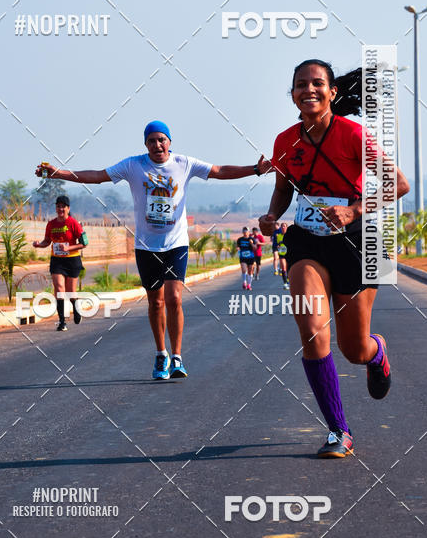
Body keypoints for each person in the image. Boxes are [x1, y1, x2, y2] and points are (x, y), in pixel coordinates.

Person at [37, 120, 272, 379]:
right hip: (146, 246)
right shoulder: (133, 165)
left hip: (176, 244)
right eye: (152, 140)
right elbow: (97, 176)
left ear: (170, 141)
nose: (157, 144)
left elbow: (219, 170)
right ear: (145, 144)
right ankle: (161, 354)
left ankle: (178, 357)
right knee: (156, 302)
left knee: (174, 298)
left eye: (162, 139)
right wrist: (60, 174)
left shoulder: (184, 164)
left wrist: (255, 169)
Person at [259, 59, 410, 459]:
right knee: (311, 328)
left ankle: (377, 353)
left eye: (317, 83)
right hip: (307, 240)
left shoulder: (353, 135)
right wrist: (273, 215)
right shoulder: (284, 141)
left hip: (357, 241)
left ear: (332, 92)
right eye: (300, 84)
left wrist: (354, 209)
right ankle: (338, 430)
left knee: (353, 348)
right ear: (291, 94)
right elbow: (283, 190)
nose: (308, 89)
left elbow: (399, 184)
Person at [32, 195, 86, 331]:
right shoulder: (51, 224)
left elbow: (84, 244)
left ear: (68, 208)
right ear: (56, 208)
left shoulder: (74, 224)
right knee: (59, 288)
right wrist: (39, 244)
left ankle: (75, 307)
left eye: (63, 206)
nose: (60, 209)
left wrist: (68, 248)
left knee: (70, 292)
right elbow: (47, 241)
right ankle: (62, 322)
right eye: (58, 206)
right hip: (57, 260)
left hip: (72, 260)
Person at [277, 222, 289, 288]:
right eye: (282, 226)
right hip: (282, 253)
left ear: (287, 227)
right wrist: (278, 246)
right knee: (283, 268)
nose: (283, 227)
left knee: (288, 268)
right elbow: (278, 244)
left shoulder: (290, 235)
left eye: (284, 226)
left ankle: (288, 279)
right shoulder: (279, 236)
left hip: (289, 254)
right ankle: (285, 283)